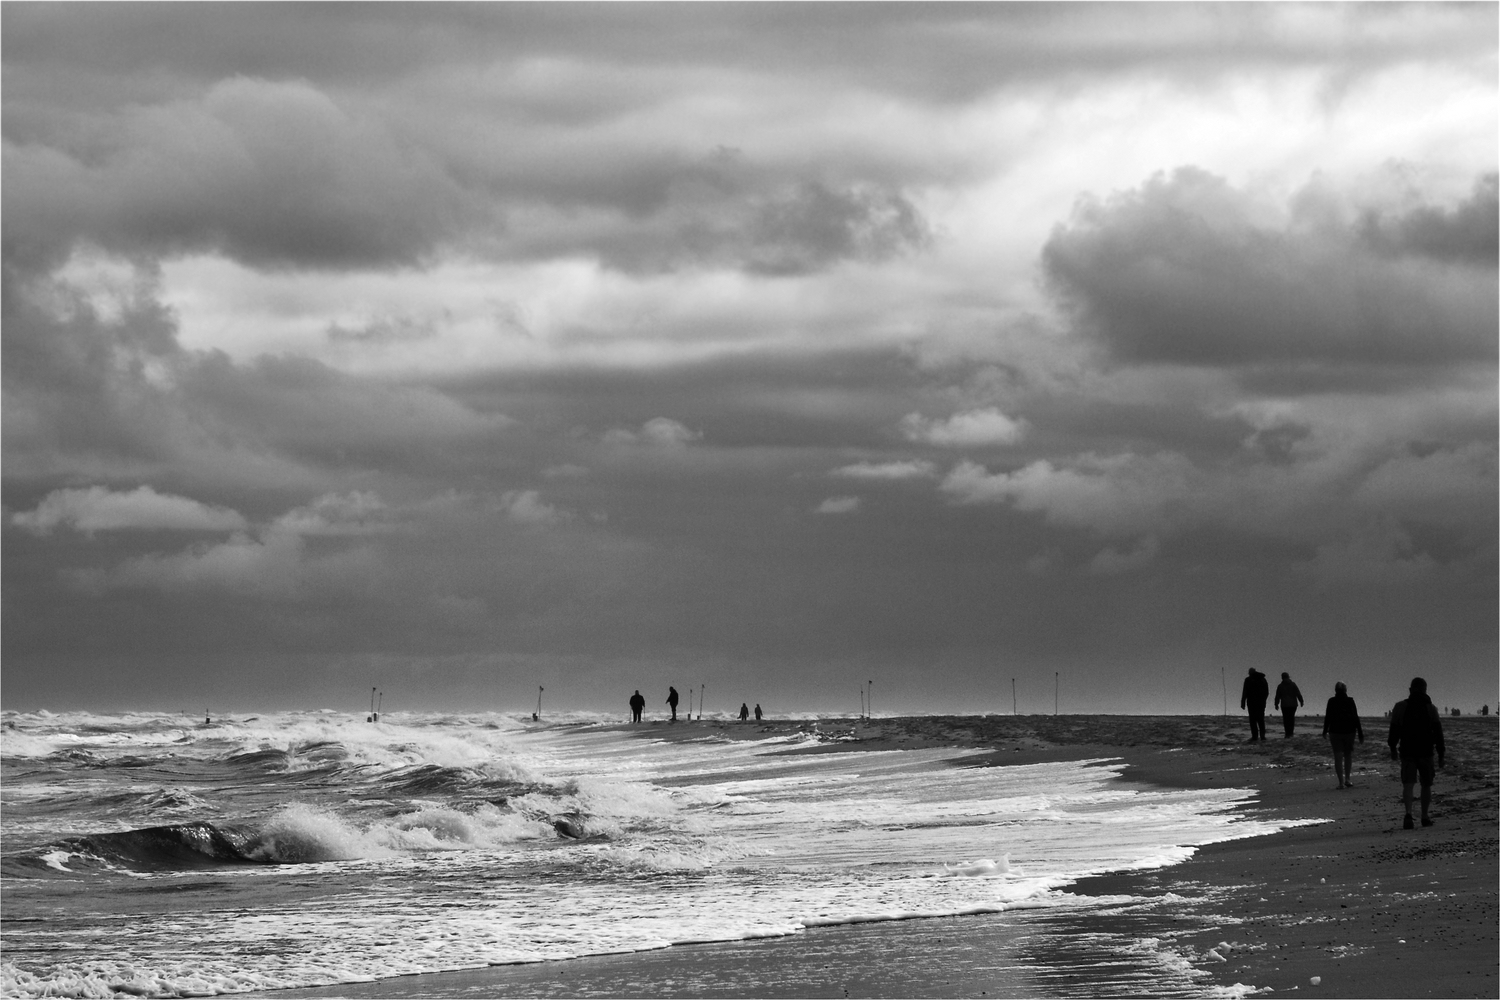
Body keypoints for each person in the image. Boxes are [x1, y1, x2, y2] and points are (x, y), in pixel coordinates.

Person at [1388, 677, 1445, 829]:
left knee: (1408, 784)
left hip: (1407, 750)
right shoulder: (1431, 708)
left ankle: (1408, 814)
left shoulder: (1400, 707)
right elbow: (1438, 733)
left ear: (1410, 690)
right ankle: (1425, 816)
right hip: (1426, 752)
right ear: (1425, 690)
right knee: (1426, 784)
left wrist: (1392, 747)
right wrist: (1441, 754)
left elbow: (1394, 729)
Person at [1320, 682, 1364, 789]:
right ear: (1345, 690)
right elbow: (1355, 717)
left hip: (1335, 731)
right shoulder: (1350, 701)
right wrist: (1360, 732)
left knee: (1338, 756)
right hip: (1349, 731)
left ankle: (1341, 782)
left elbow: (1328, 716)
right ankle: (1348, 779)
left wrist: (1325, 730)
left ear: (1335, 690)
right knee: (1348, 755)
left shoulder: (1332, 701)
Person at [1240, 668, 1269, 741]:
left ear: (1250, 673)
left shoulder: (1248, 680)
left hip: (1251, 702)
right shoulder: (1263, 679)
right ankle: (1262, 736)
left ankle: (1255, 736)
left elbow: (1245, 691)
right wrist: (1264, 700)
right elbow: (1266, 692)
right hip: (1260, 703)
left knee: (1253, 720)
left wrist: (1243, 702)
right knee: (1261, 719)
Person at [1275, 672, 1304, 738]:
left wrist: (1276, 704)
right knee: (1291, 718)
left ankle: (1287, 732)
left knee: (1286, 719)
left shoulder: (1280, 686)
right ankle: (1291, 732)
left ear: (1282, 678)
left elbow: (1277, 696)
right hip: (1293, 704)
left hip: (1284, 705)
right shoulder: (1293, 684)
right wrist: (1301, 701)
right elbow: (1298, 693)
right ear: (1288, 677)